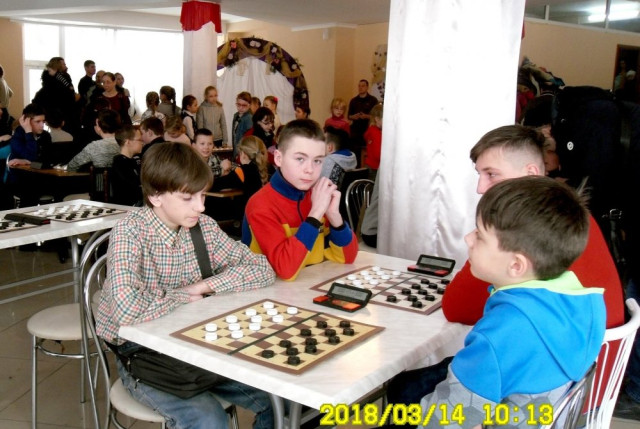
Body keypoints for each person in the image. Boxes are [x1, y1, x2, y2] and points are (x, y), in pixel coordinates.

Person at [385, 125, 625, 424]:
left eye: (491, 174)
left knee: (405, 387)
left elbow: (457, 307)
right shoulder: (570, 222)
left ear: (531, 173)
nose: (480, 188)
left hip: (544, 385)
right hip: (567, 384)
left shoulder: (526, 244)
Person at [95, 142, 275, 429]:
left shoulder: (204, 227)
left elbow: (262, 268)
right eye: (188, 197)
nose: (201, 206)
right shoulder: (131, 232)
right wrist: (181, 296)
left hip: (197, 344)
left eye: (202, 195)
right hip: (145, 355)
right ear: (155, 196)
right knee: (209, 420)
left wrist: (203, 286)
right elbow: (126, 310)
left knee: (280, 398)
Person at [416, 176, 605, 429]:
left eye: (480, 236)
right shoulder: (585, 305)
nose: (468, 239)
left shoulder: (500, 334)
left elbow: (444, 420)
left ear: (516, 265)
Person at [242, 119, 358, 280]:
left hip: (307, 287)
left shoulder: (317, 196)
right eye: (300, 159)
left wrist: (334, 217)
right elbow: (286, 270)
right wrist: (315, 214)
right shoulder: (260, 204)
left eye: (317, 161)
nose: (310, 169)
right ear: (278, 159)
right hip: (267, 291)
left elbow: (347, 258)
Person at [6, 104, 52, 206]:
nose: (42, 125)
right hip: (21, 179)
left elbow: (48, 162)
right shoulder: (17, 137)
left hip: (41, 177)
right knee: (30, 190)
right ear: (26, 122)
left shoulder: (45, 136)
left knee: (61, 186)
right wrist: (28, 132)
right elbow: (32, 157)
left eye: (43, 121)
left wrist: (28, 162)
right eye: (37, 122)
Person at [111, 124, 143, 206]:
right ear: (128, 142)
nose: (142, 143)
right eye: (140, 140)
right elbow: (133, 187)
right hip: (128, 206)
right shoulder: (120, 162)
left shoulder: (137, 159)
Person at [348, 79, 379, 150]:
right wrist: (354, 117)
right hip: (355, 132)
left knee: (367, 150)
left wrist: (367, 116)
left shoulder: (373, 100)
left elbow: (376, 116)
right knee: (355, 150)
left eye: (363, 86)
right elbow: (349, 116)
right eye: (359, 86)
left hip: (368, 129)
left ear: (367, 87)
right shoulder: (353, 101)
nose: (360, 88)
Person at [364, 103, 383, 181]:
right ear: (377, 119)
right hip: (375, 168)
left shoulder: (371, 130)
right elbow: (378, 154)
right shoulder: (375, 133)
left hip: (370, 165)